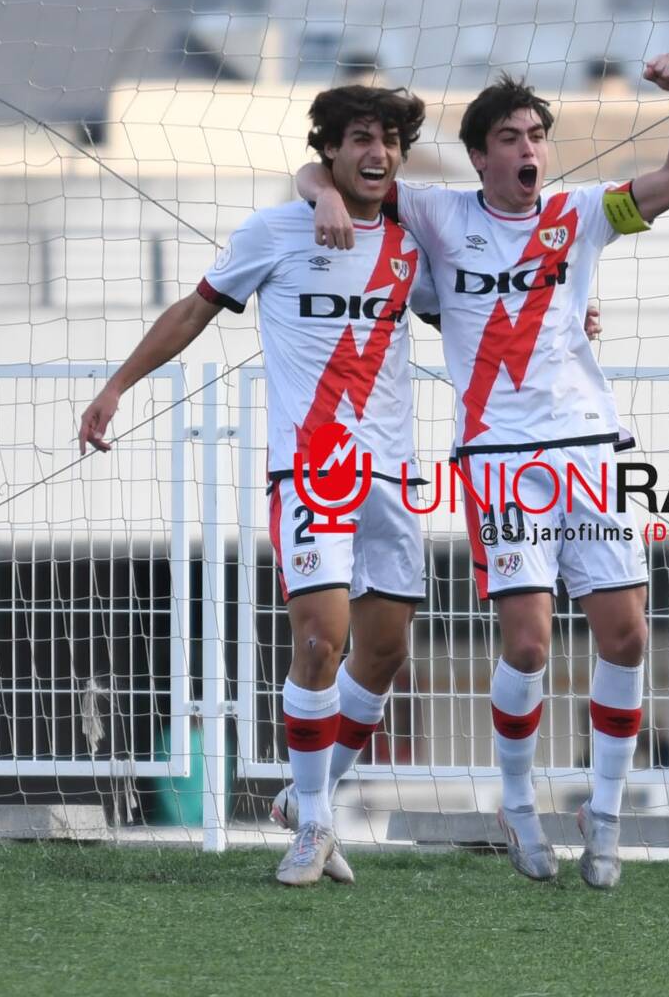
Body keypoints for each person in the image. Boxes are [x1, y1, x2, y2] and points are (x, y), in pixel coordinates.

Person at [297, 54, 669, 889]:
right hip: (499, 460)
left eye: (537, 136)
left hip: (589, 450)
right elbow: (324, 170)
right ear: (479, 155)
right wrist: (325, 197)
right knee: (527, 644)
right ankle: (516, 803)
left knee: (628, 635)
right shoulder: (438, 212)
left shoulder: (581, 212)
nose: (529, 149)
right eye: (511, 137)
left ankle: (604, 813)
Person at [80, 85, 436, 887]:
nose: (377, 153)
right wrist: (116, 387)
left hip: (393, 476)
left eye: (389, 140)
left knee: (384, 652)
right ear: (330, 150)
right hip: (310, 471)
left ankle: (304, 796)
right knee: (318, 642)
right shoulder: (274, 231)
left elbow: (476, 309)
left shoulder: (414, 241)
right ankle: (313, 826)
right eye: (360, 138)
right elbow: (193, 310)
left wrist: (570, 322)